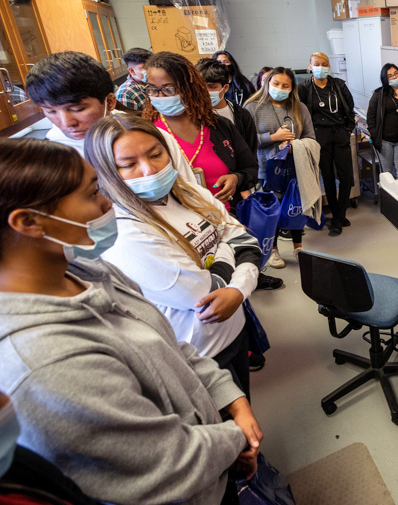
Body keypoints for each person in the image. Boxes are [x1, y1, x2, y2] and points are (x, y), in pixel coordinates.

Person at [0, 138, 261, 505]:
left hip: (214, 458)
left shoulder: (88, 271)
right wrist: (236, 437)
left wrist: (229, 397)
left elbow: (170, 344)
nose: (109, 203)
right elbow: (166, 462)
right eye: (93, 194)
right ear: (29, 222)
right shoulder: (46, 361)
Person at [85, 115, 262, 399]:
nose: (149, 169)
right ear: (107, 171)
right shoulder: (126, 232)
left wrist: (238, 288)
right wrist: (226, 248)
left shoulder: (186, 191)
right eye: (129, 164)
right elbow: (205, 295)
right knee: (229, 433)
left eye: (156, 154)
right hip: (199, 355)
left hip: (233, 327)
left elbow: (247, 240)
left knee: (246, 411)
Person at [26, 51, 196, 184]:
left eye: (78, 109)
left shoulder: (147, 135)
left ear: (110, 101)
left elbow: (189, 189)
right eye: (51, 111)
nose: (67, 123)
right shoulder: (47, 159)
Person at [142, 51, 258, 212]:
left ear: (189, 88)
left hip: (224, 216)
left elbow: (250, 168)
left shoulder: (218, 126)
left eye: (169, 89)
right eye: (153, 89)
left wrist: (237, 178)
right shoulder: (145, 133)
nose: (160, 96)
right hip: (179, 224)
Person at [245, 67, 321, 269]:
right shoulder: (253, 108)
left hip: (296, 166)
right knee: (274, 211)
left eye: (285, 85)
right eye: (276, 83)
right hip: (267, 169)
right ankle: (274, 250)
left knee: (296, 206)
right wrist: (273, 138)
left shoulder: (299, 108)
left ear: (292, 88)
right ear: (267, 83)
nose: (280, 88)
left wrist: (296, 145)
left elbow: (311, 138)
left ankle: (298, 248)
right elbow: (246, 142)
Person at [297, 52, 355, 236]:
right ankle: (339, 218)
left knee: (346, 177)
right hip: (319, 135)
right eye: (317, 64)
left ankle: (339, 215)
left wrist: (348, 129)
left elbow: (350, 108)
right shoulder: (304, 87)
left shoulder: (338, 85)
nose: (321, 67)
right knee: (328, 177)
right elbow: (301, 114)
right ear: (310, 66)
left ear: (329, 66)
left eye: (324, 64)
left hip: (340, 133)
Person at [197, 57, 258, 155]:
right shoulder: (193, 116)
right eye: (201, 87)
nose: (205, 92)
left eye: (212, 87)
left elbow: (251, 152)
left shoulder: (242, 115)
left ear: (225, 88)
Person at [367, 64, 398, 179]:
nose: (394, 77)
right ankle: (386, 196)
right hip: (385, 141)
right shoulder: (379, 95)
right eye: (389, 76)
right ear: (385, 79)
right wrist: (375, 135)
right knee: (387, 175)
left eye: (396, 73)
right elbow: (370, 117)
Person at [115, 47, 151, 112]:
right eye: (145, 67)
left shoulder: (151, 83)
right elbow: (132, 121)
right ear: (132, 71)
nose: (150, 70)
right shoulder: (126, 94)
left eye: (151, 66)